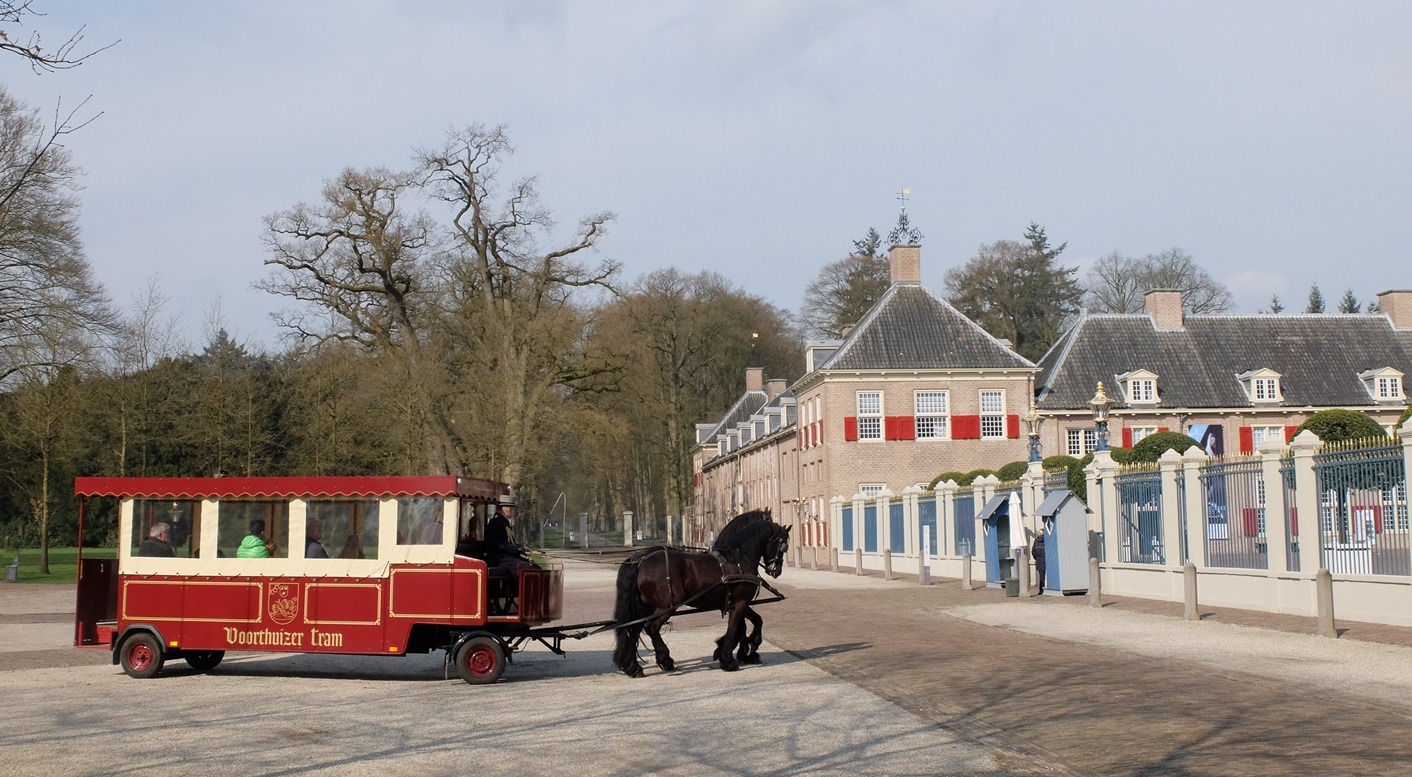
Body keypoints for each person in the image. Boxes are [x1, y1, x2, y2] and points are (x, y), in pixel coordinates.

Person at [1031, 528, 1047, 595]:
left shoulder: (1036, 541)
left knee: (1041, 577)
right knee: (1050, 575)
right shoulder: (1047, 540)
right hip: (1047, 560)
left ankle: (1041, 590)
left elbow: (1033, 551)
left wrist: (1037, 558)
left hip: (1039, 560)